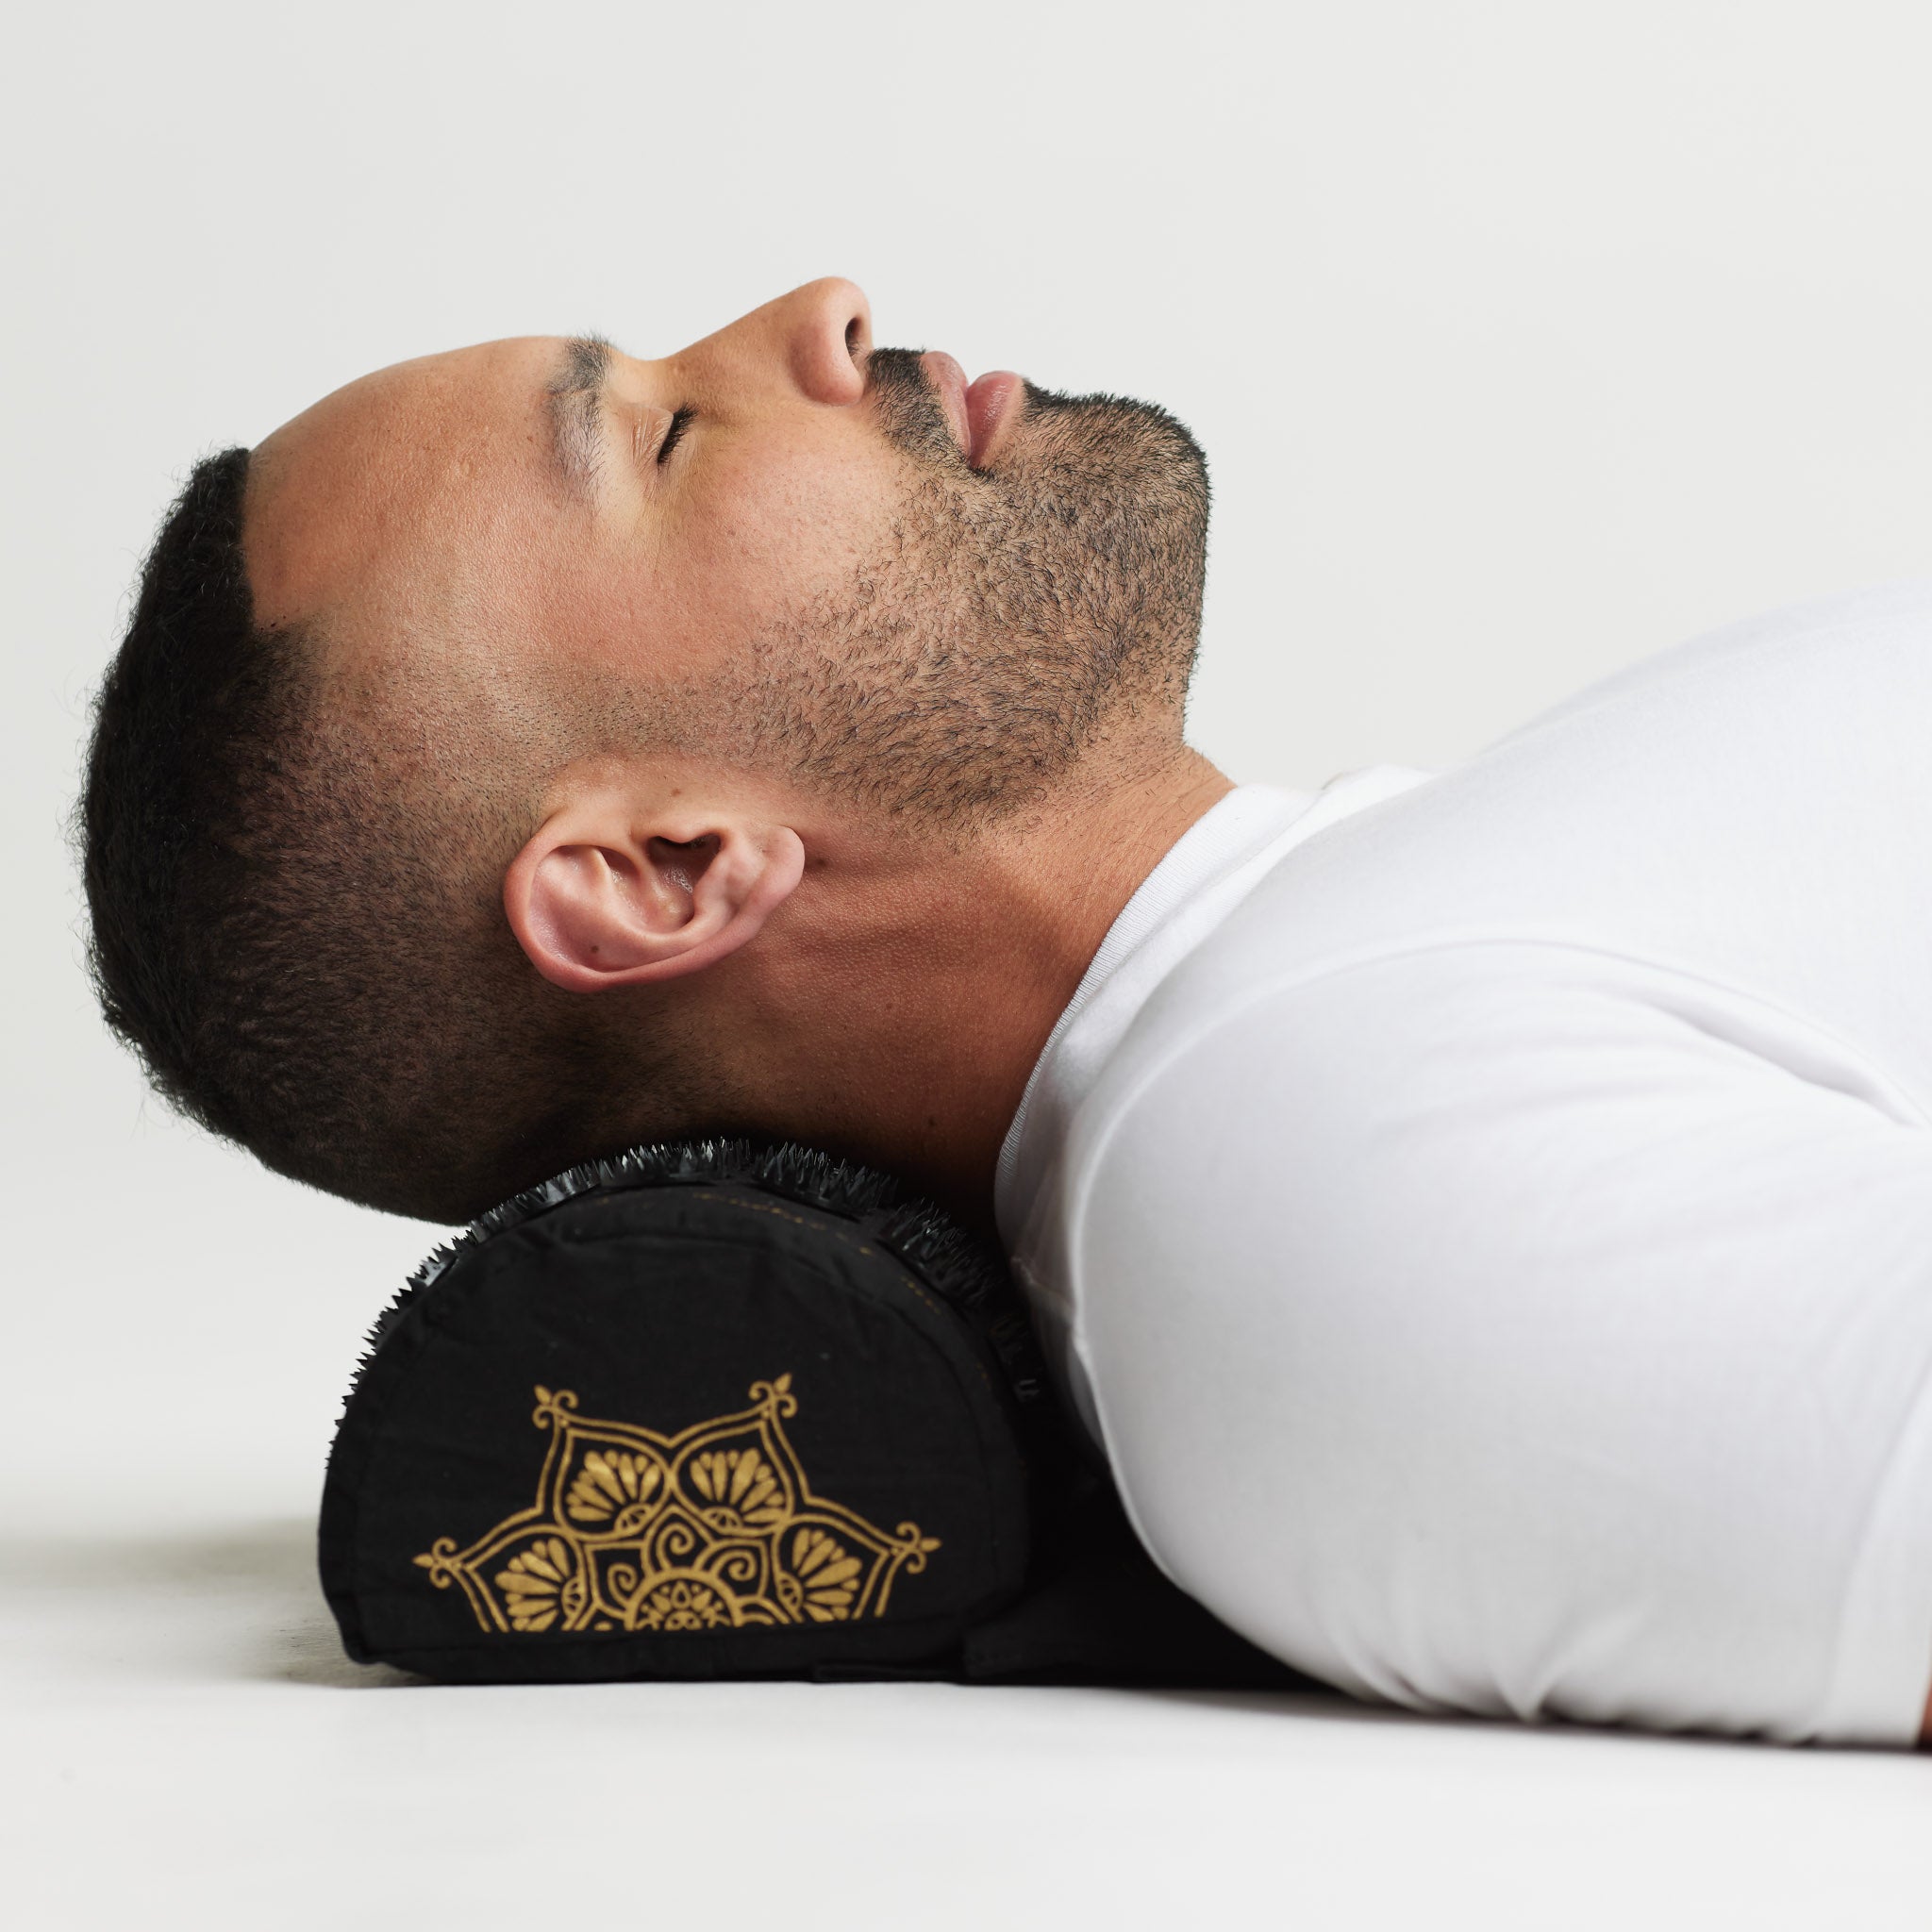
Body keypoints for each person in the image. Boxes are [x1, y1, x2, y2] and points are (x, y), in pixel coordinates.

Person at [79, 278, 1932, 1748]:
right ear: (663, 872)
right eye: (659, 434)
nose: (823, 312)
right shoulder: (1326, 1189)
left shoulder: (1338, 976)